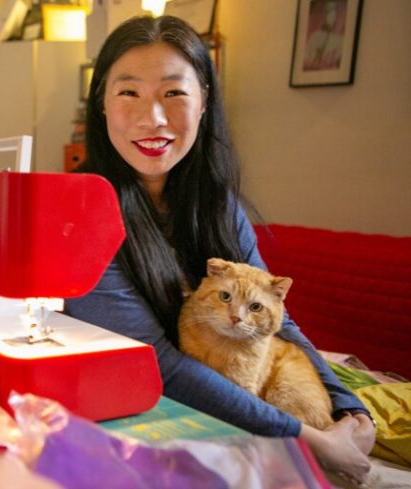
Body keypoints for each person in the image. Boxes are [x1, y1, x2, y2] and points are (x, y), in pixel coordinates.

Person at [64, 15, 375, 484]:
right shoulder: (78, 211)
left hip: (229, 416)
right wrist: (312, 440)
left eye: (174, 93)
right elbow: (156, 363)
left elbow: (280, 320)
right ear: (101, 105)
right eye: (129, 92)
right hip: (135, 422)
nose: (154, 118)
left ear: (205, 101)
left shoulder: (216, 204)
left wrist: (352, 411)